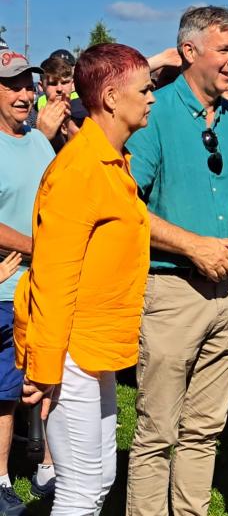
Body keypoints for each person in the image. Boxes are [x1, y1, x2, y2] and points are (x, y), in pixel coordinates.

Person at [125, 6, 228, 516]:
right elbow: (127, 205)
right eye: (225, 50)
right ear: (189, 52)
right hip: (170, 291)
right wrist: (192, 246)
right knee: (157, 430)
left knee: (205, 430)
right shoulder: (153, 114)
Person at [16, 43, 153, 513]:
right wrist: (46, 369)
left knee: (101, 477)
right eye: (145, 89)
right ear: (112, 97)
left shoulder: (112, 162)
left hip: (96, 348)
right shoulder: (79, 170)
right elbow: (52, 277)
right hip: (70, 351)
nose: (151, 97)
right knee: (79, 490)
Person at [0, 49, 56, 513]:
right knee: (3, 392)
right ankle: (0, 479)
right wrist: (40, 247)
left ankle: (47, 468)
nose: (23, 94)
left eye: (26, 85)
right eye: (12, 85)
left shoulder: (39, 140)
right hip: (5, 288)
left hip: (46, 288)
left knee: (47, 379)